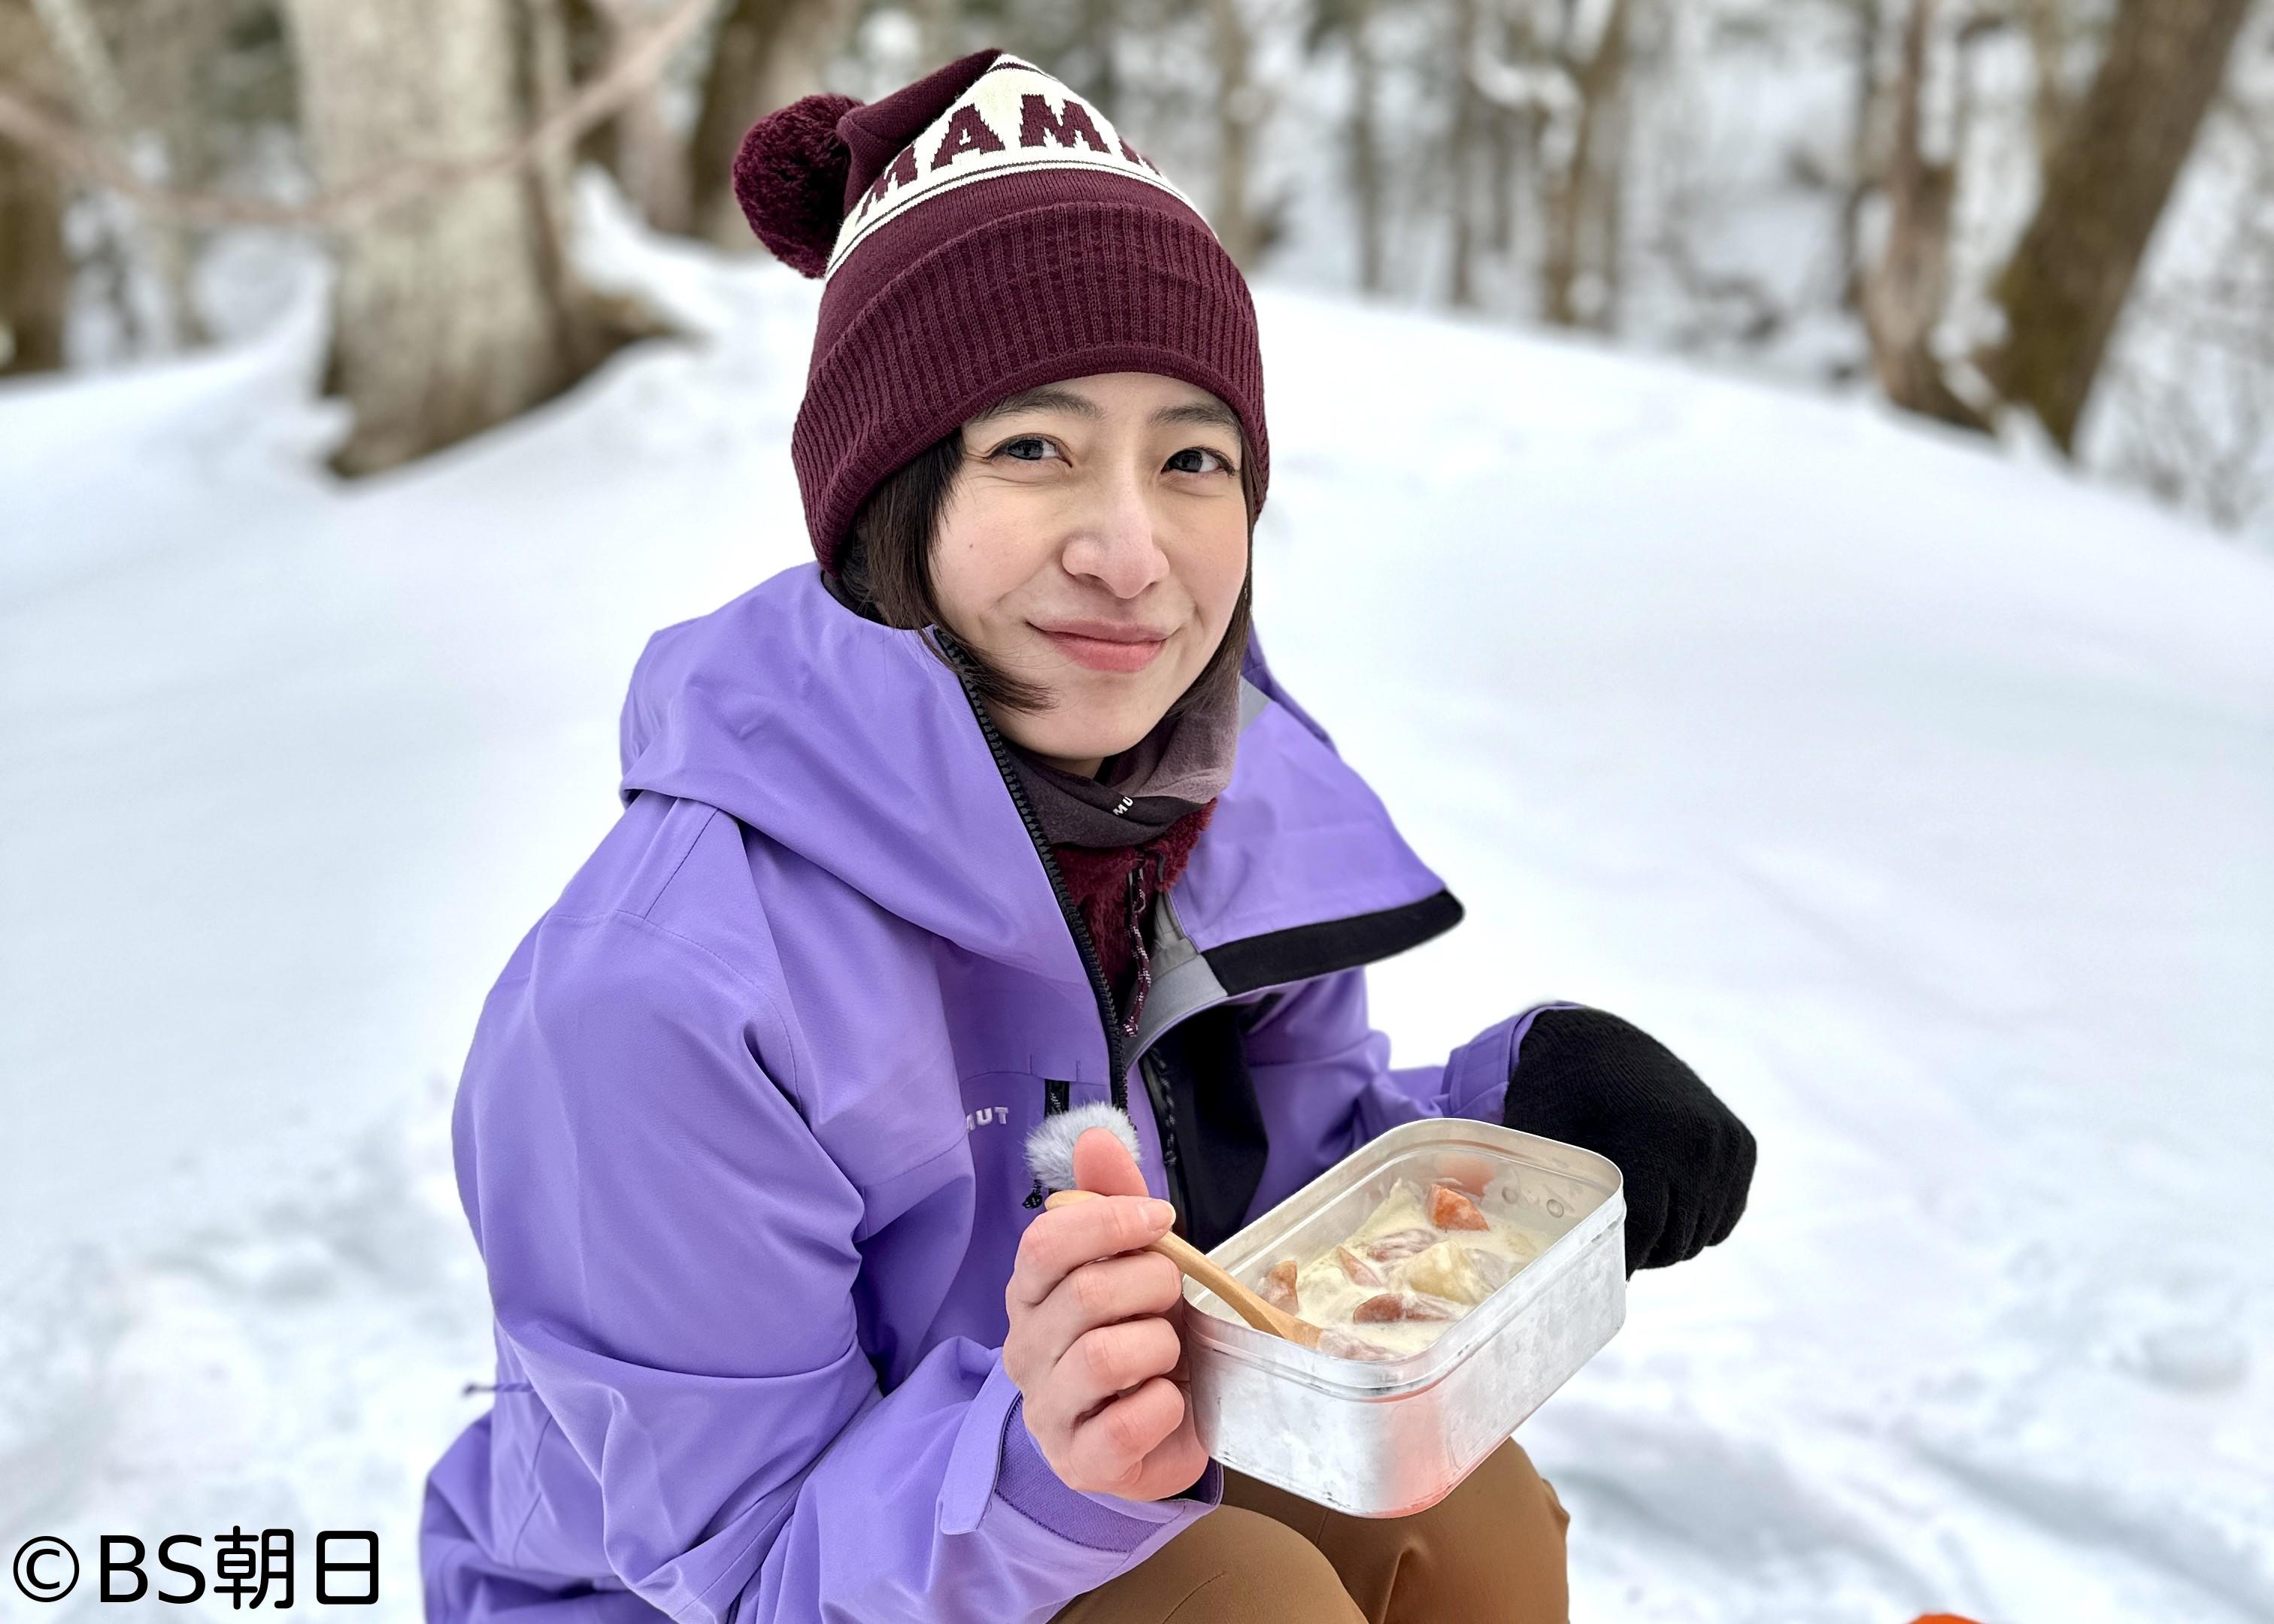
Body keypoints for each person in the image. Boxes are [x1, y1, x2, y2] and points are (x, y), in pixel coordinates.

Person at [418, 47, 1756, 1624]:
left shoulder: (1211, 808)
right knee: (1238, 1603)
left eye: (1194, 460)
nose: (1132, 552)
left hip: (1050, 1482)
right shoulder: (661, 999)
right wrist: (1044, 1459)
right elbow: (736, 1575)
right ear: (886, 507)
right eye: (1034, 449)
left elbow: (1271, 1217)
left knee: (1465, 1521)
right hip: (728, 1592)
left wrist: (1501, 1122)